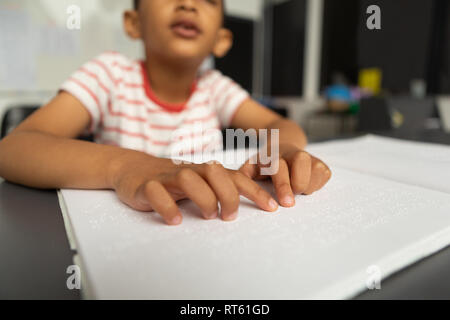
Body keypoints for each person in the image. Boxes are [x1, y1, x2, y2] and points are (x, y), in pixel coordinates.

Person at [0, 0, 331, 225]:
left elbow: (278, 123)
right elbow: (14, 148)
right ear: (134, 22)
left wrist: (280, 150)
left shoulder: (215, 86)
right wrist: (126, 166)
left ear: (221, 40)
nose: (188, 3)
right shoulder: (109, 75)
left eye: (208, 0)